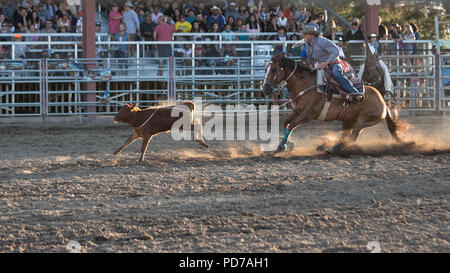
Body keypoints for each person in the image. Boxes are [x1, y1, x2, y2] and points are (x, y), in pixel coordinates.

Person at [302, 26, 363, 103]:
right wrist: (313, 66)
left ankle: (355, 92)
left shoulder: (322, 40)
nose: (303, 36)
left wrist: (327, 62)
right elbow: (311, 61)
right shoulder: (307, 46)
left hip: (334, 63)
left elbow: (336, 51)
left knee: (336, 73)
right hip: (322, 67)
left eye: (305, 34)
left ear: (311, 35)